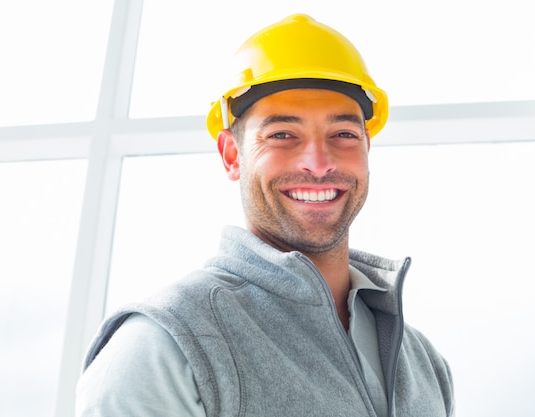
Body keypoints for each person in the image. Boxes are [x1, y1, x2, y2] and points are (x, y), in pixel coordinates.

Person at [75, 14, 455, 417]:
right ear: (232, 155)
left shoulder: (423, 364)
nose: (319, 162)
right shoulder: (165, 345)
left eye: (343, 134)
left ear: (366, 148)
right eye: (282, 135)